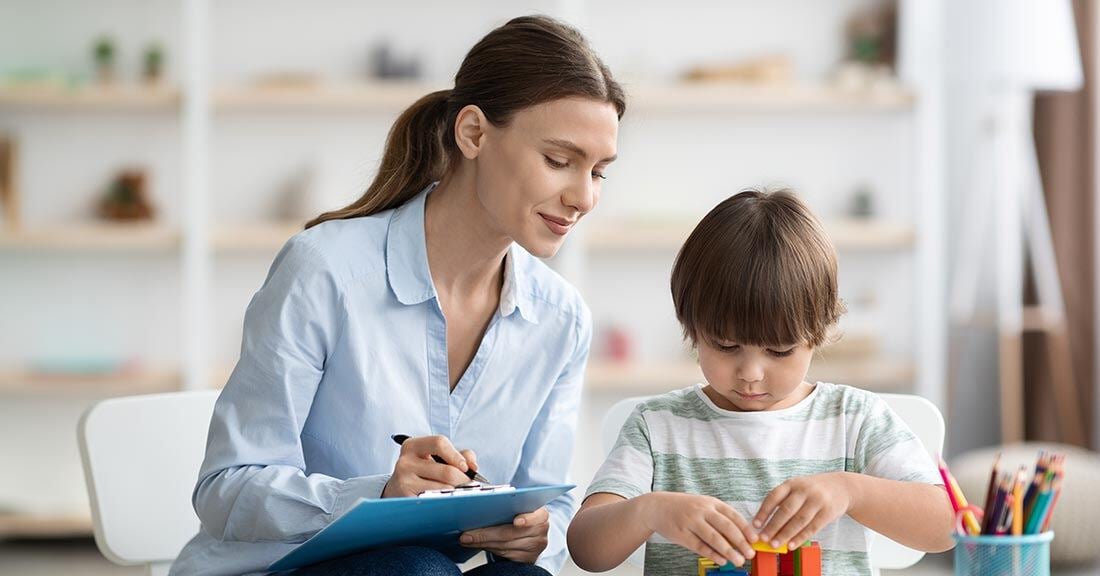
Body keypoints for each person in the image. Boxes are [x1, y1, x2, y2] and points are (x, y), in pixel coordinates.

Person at [170, 14, 624, 576]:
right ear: (474, 133)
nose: (583, 197)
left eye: (600, 172)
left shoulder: (560, 320)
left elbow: (547, 505)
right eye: (559, 161)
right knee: (415, 570)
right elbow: (224, 489)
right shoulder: (325, 271)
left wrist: (537, 535)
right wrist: (379, 493)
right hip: (276, 569)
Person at [566, 189, 954, 575]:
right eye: (725, 345)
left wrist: (851, 491)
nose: (750, 372)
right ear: (692, 329)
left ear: (817, 334)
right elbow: (586, 548)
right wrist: (648, 511)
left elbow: (947, 527)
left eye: (780, 351)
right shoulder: (656, 426)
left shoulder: (855, 420)